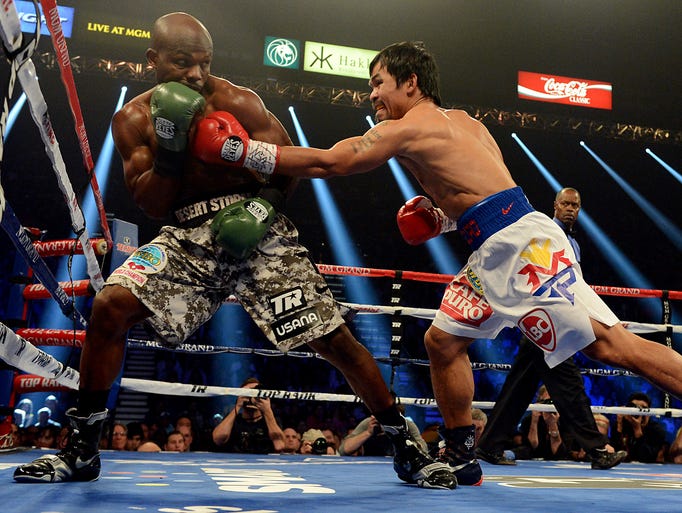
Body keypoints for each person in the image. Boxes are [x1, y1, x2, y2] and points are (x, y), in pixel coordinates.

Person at [209, 40, 682, 485]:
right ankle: (461, 454)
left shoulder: (406, 127)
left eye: (378, 82)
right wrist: (443, 220)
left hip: (520, 250)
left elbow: (335, 162)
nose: (371, 92)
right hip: (495, 248)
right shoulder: (468, 123)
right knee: (442, 341)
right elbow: (492, 193)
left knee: (609, 345)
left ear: (410, 82)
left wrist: (241, 150)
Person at [14, 15, 454, 490]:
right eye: (183, 64)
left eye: (204, 64)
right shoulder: (133, 119)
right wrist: (172, 147)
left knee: (334, 340)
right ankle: (81, 449)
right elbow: (151, 203)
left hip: (257, 229)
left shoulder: (237, 101)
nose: (196, 76)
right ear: (153, 60)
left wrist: (262, 207)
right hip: (186, 234)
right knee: (109, 306)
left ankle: (405, 444)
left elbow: (288, 165)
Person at [476, 189, 626, 470]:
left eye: (575, 205)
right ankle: (596, 449)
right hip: (546, 318)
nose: (570, 209)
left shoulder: (572, 243)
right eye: (566, 203)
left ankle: (488, 445)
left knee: (520, 386)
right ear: (555, 205)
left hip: (551, 320)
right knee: (569, 384)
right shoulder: (544, 232)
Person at [212, 377, 284, 454]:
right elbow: (218, 440)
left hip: (263, 464)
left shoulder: (270, 420)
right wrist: (238, 406)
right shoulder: (233, 420)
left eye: (256, 392)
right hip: (236, 462)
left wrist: (267, 410)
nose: (252, 396)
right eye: (249, 392)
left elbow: (279, 446)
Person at [611, 392, 668, 463]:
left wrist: (637, 430)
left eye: (643, 409)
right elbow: (614, 454)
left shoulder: (656, 430)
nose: (638, 413)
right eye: (634, 408)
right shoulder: (622, 426)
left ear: (649, 413)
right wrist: (619, 426)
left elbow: (647, 458)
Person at [339, 415, 427, 457]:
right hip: (369, 469)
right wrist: (368, 433)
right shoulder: (370, 423)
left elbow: (424, 450)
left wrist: (403, 436)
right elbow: (344, 450)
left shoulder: (407, 424)